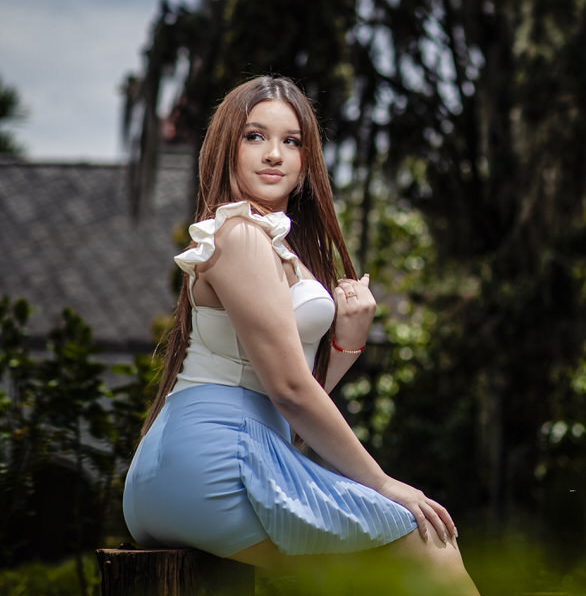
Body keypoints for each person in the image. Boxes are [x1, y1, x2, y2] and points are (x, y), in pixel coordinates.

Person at [123, 75, 478, 592]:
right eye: (254, 136)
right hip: (210, 464)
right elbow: (290, 392)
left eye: (291, 141)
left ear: (307, 162)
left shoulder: (273, 245)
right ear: (227, 147)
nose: (274, 154)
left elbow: (283, 401)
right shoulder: (240, 235)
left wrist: (345, 345)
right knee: (427, 546)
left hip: (203, 462)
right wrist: (382, 483)